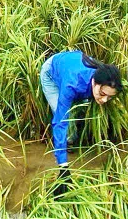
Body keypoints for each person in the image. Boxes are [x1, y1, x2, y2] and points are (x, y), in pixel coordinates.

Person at [40, 51, 122, 196]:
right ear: (95, 83)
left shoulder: (105, 77)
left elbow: (108, 91)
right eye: (102, 94)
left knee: (81, 111)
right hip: (51, 73)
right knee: (66, 118)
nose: (104, 100)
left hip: (72, 66)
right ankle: (68, 143)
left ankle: (79, 135)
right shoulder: (72, 85)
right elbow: (60, 123)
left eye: (110, 97)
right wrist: (63, 167)